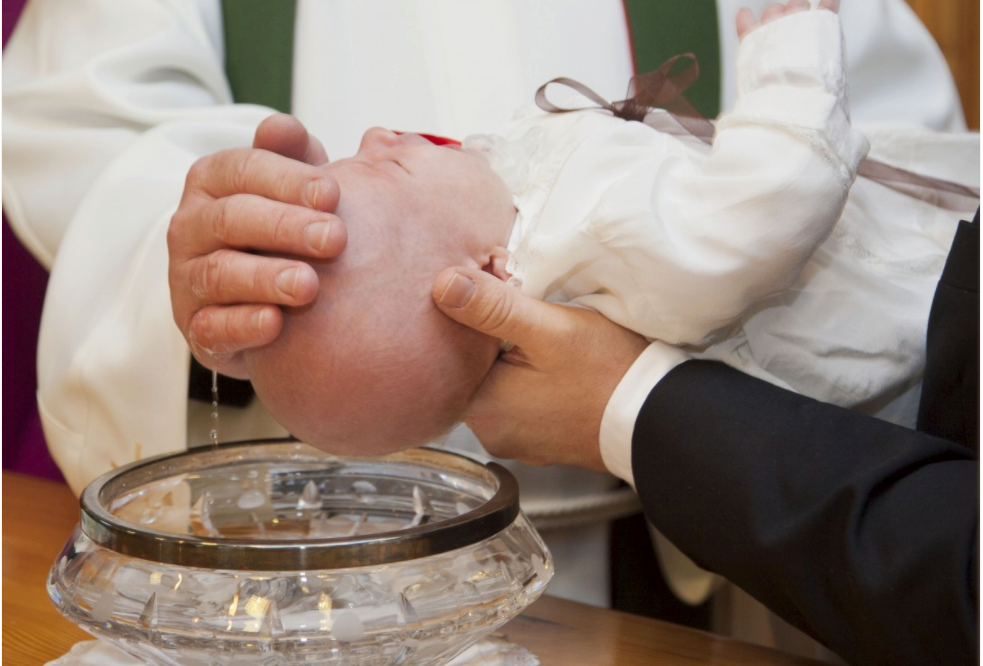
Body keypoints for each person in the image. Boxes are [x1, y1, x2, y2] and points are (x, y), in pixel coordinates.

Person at [0, 0, 970, 641]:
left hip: (708, 530)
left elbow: (889, 188)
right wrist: (228, 254)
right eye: (375, 156)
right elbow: (71, 133)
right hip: (318, 563)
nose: (382, 133)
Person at [241, 4, 977, 462]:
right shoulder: (593, 226)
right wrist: (790, 66)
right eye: (387, 167)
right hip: (913, 311)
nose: (376, 131)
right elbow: (765, 207)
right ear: (492, 275)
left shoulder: (531, 203)